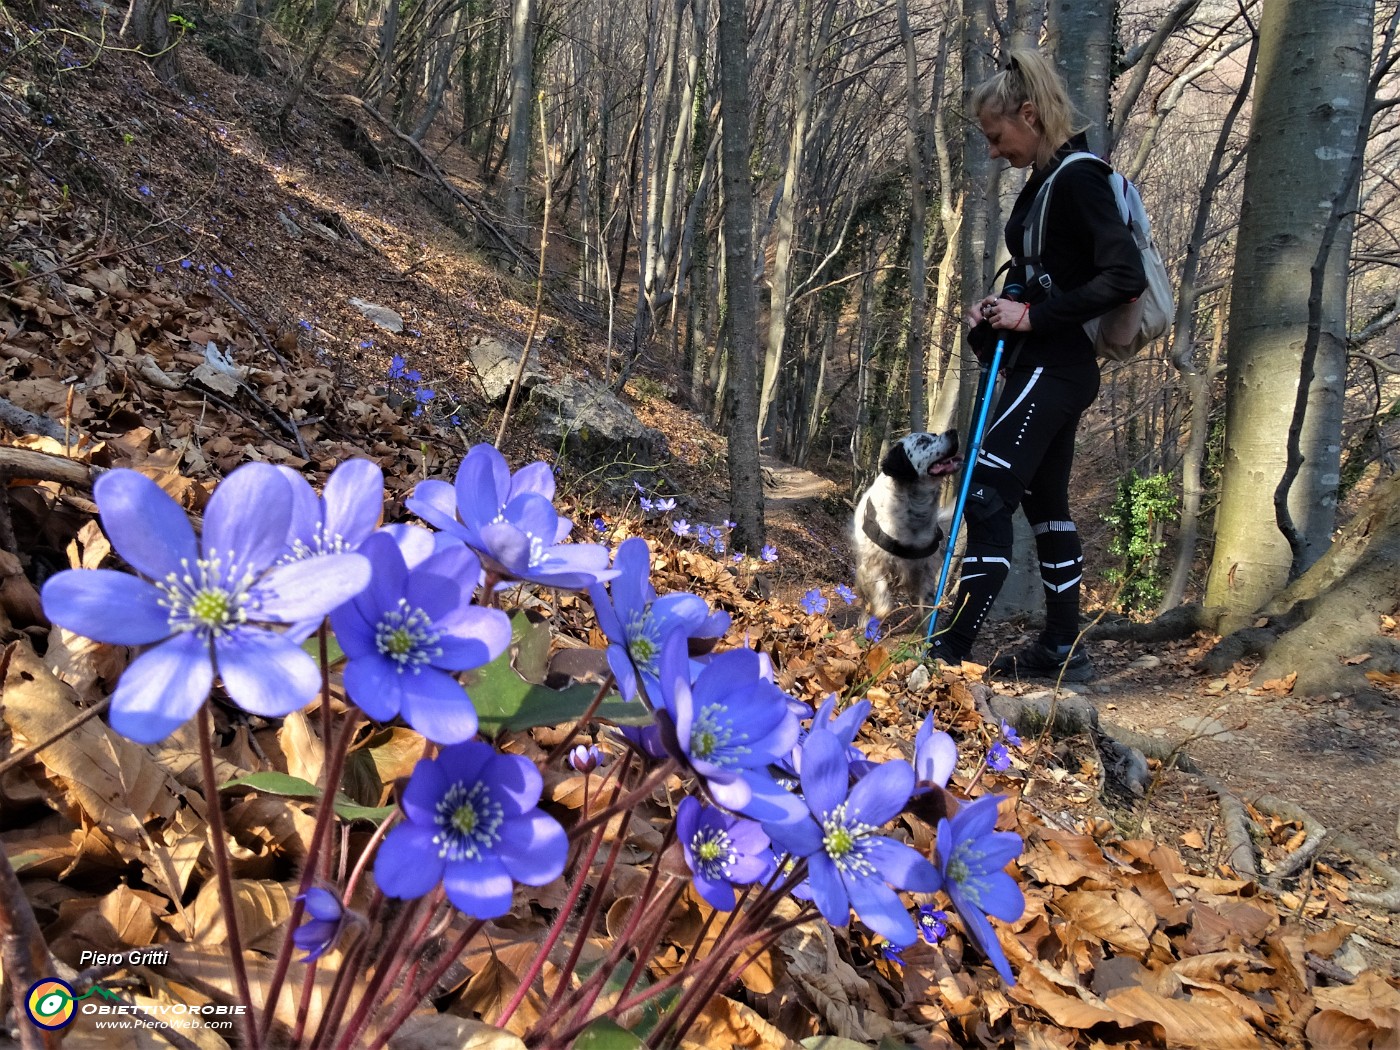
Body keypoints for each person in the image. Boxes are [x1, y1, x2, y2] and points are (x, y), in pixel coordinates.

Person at [931, 49, 1146, 682]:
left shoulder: (1077, 176)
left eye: (997, 138)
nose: (994, 153)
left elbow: (1124, 275)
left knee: (988, 493)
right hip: (1044, 365)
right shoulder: (1045, 181)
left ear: (1029, 114)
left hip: (1055, 367)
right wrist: (1001, 312)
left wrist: (1034, 318)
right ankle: (1059, 650)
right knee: (1046, 505)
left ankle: (948, 651)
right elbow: (1054, 279)